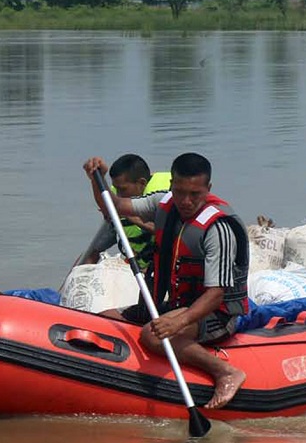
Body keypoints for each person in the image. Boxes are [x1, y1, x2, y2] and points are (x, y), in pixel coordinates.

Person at [83, 152, 248, 409]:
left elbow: (216, 294)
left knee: (152, 334)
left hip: (216, 314)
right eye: (180, 191)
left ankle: (225, 372)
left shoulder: (218, 229)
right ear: (171, 184)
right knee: (104, 317)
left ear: (208, 189)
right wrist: (97, 179)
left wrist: (178, 322)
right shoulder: (164, 203)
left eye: (195, 194)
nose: (186, 201)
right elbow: (113, 206)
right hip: (178, 304)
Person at [75, 154, 172, 268]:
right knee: (91, 254)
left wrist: (129, 216)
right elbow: (109, 207)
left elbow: (168, 232)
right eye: (116, 189)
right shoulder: (118, 195)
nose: (119, 194)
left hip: (159, 259)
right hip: (129, 242)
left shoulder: (163, 197)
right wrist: (97, 178)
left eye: (123, 189)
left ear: (142, 183)